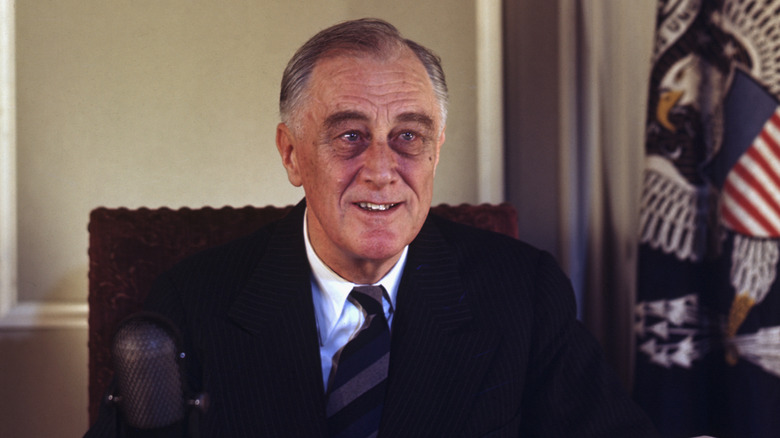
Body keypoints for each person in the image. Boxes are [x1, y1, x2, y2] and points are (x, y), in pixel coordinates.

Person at [87, 18, 658, 437]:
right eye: (349, 135)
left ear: (436, 153)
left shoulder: (522, 292)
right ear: (291, 155)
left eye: (409, 136)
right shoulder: (192, 300)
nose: (382, 171)